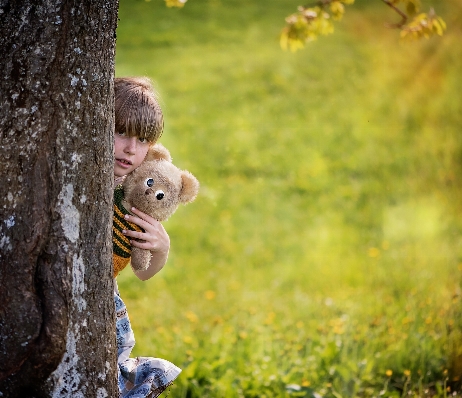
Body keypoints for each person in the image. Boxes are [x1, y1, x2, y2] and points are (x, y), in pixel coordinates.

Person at [112, 77, 181, 398]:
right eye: (121, 132)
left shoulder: (135, 190)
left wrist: (162, 251)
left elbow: (142, 273)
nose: (130, 148)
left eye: (142, 140)